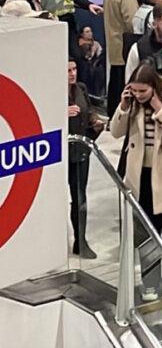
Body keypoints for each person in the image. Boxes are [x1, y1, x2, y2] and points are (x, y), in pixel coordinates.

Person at [109, 62, 162, 301]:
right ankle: (149, 281)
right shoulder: (132, 102)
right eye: (134, 91)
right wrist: (124, 105)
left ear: (154, 88)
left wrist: (159, 108)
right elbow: (115, 132)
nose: (138, 95)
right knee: (146, 234)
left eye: (143, 92)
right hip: (140, 176)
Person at [67, 57, 104, 258]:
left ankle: (80, 240)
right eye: (68, 70)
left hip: (81, 150)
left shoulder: (80, 88)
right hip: (60, 154)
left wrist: (95, 121)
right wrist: (61, 113)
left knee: (80, 197)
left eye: (74, 69)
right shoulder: (50, 91)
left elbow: (88, 111)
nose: (72, 73)